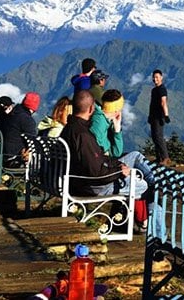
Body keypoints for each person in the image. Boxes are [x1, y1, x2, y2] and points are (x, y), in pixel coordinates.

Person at [61, 90, 162, 235]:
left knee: (135, 157)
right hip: (93, 186)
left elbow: (98, 159)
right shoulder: (83, 136)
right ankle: (158, 235)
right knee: (145, 187)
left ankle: (155, 185)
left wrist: (118, 165)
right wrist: (119, 171)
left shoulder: (69, 129)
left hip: (80, 180)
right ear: (91, 109)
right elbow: (96, 173)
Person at [0, 92, 39, 168]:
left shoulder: (2, 116)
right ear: (35, 108)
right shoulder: (27, 119)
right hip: (11, 158)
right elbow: (32, 142)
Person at [90, 89, 125, 158]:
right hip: (105, 163)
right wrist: (117, 133)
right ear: (116, 111)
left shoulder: (102, 119)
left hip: (105, 161)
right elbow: (116, 153)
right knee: (136, 156)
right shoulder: (99, 123)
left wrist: (116, 128)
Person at [147, 69, 172, 166]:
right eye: (154, 77)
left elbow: (163, 102)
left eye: (157, 77)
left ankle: (165, 157)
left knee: (159, 137)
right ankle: (159, 157)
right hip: (153, 116)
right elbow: (152, 104)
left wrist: (166, 115)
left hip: (159, 117)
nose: (155, 79)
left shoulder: (162, 89)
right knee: (154, 137)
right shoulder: (154, 90)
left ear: (161, 77)